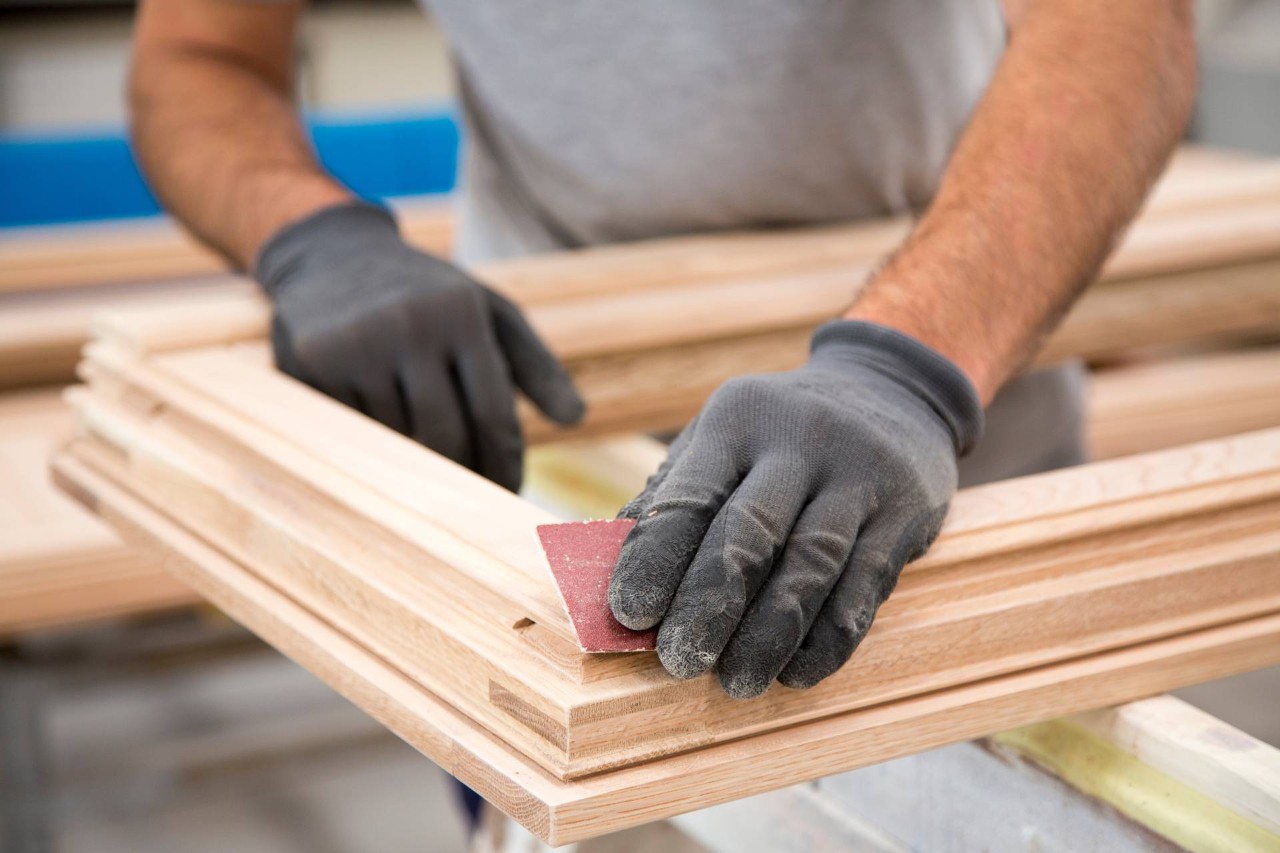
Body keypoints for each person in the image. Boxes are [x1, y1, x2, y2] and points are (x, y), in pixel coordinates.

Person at [128, 0, 1196, 700]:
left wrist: (908, 363)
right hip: (534, 460)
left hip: (927, 448)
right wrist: (308, 235)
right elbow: (197, 54)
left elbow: (1114, 28)